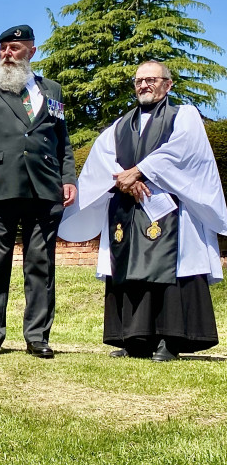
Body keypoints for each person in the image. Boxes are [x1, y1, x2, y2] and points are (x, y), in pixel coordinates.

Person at [59, 60, 227, 360]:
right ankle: (135, 338)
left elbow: (183, 151)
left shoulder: (183, 116)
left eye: (151, 79)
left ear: (168, 84)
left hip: (170, 206)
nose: (144, 85)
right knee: (128, 267)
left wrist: (140, 170)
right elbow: (102, 156)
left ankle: (170, 340)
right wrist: (124, 179)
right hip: (129, 206)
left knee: (170, 269)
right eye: (139, 80)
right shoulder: (122, 124)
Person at [0, 25, 77, 358]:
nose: (7, 54)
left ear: (31, 51)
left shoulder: (52, 90)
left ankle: (38, 335)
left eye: (14, 48)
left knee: (41, 264)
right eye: (3, 49)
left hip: (44, 187)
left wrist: (68, 177)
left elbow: (62, 142)